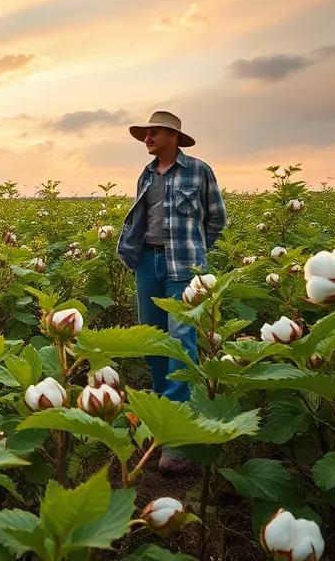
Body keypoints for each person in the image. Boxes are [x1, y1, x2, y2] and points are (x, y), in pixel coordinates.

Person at [116, 110, 226, 472]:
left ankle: (177, 440)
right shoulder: (146, 174)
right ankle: (162, 418)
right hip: (147, 263)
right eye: (145, 133)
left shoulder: (199, 170)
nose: (147, 138)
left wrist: (195, 252)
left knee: (182, 343)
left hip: (184, 267)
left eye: (154, 132)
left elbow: (216, 219)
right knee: (154, 340)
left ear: (173, 136)